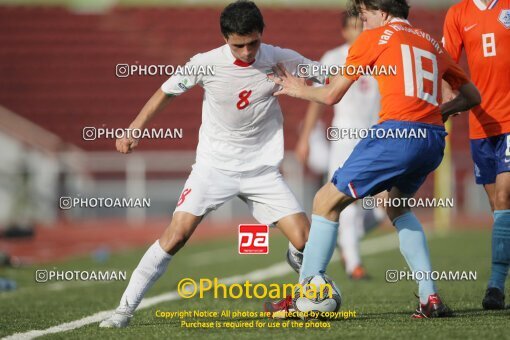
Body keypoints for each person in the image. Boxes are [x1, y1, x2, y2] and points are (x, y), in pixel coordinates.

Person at [99, 0, 324, 328]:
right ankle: (123, 310)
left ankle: (301, 283)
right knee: (176, 235)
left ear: (262, 35)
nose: (247, 51)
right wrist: (135, 127)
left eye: (253, 43)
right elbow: (166, 92)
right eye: (238, 45)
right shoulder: (205, 63)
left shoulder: (280, 58)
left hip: (261, 170)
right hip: (213, 167)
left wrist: (344, 76)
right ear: (225, 39)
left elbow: (327, 76)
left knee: (308, 240)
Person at [266, 0, 481, 318]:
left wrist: (296, 88)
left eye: (364, 17)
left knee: (325, 202)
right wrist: (437, 114)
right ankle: (429, 297)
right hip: (432, 139)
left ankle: (306, 295)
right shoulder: (431, 42)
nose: (362, 25)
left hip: (395, 136)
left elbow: (330, 95)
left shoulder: (373, 38)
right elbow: (472, 97)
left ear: (382, 13)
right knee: (396, 206)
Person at [295, 12, 385, 280]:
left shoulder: (381, 53)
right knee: (346, 200)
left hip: (377, 137)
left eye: (362, 25)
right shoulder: (333, 58)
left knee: (383, 207)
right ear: (344, 31)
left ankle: (345, 241)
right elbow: (317, 100)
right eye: (354, 27)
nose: (359, 31)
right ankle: (353, 263)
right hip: (344, 139)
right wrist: (305, 138)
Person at [443, 0, 510, 310]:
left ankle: (495, 285)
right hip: (480, 123)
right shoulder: (458, 13)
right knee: (497, 206)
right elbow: (446, 65)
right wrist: (447, 104)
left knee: (504, 198)